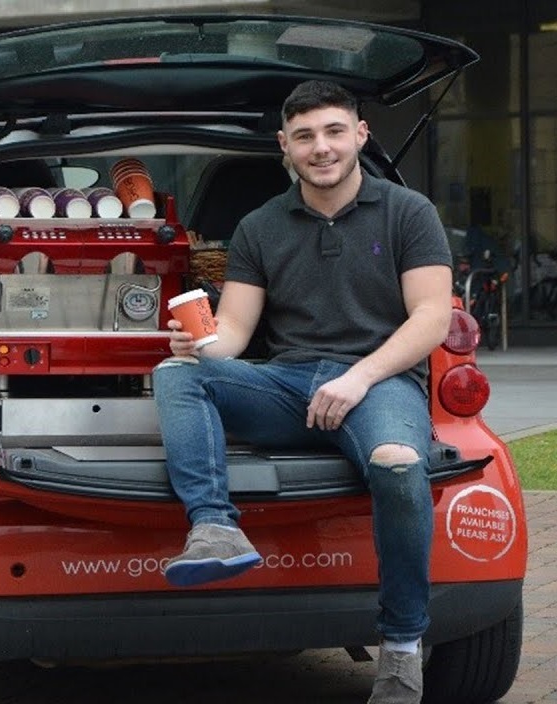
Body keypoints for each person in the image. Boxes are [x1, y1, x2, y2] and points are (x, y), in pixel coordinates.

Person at [151, 80, 453, 704]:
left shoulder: (408, 212)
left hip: (380, 382)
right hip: (289, 385)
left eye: (334, 131)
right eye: (306, 136)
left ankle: (400, 648)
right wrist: (200, 345)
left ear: (360, 135)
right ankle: (214, 528)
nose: (322, 148)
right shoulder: (259, 227)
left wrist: (360, 376)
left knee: (399, 468)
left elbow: (430, 318)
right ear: (284, 145)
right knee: (178, 375)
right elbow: (233, 333)